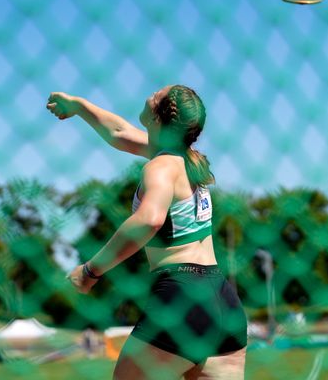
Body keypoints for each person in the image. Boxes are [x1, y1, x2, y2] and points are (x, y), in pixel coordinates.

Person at [46, 85, 248, 379]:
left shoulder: (161, 167)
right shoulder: (187, 160)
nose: (150, 93)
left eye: (156, 95)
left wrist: (91, 271)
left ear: (157, 118)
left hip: (182, 294)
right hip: (223, 300)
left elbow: (149, 220)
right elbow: (119, 133)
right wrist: (79, 106)